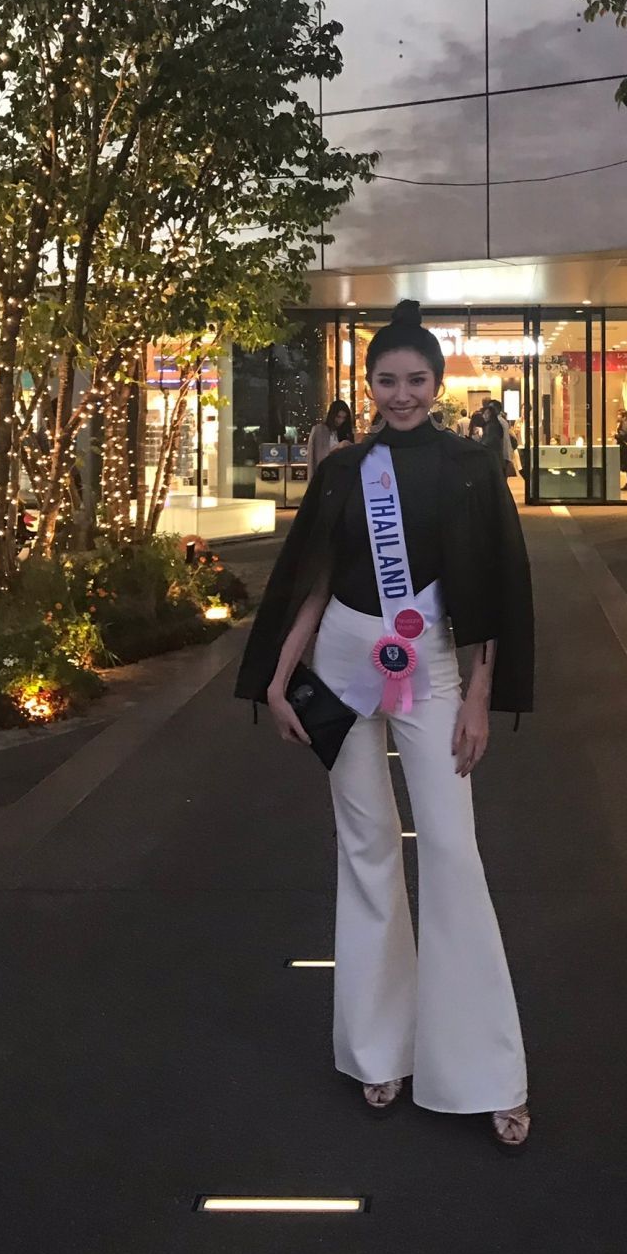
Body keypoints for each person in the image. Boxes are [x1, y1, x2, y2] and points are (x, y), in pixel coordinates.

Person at [234, 299, 534, 1152]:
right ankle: (378, 1049)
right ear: (367, 385)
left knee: (451, 851)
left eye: (416, 380)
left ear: (437, 384)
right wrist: (281, 677)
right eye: (387, 381)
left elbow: (494, 590)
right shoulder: (344, 470)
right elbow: (315, 579)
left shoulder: (472, 468)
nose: (402, 395)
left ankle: (486, 1070)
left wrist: (479, 694)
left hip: (431, 667)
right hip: (340, 666)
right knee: (365, 852)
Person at [307, 400, 354, 479]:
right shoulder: (319, 430)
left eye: (344, 418)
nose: (340, 421)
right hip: (325, 476)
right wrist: (337, 447)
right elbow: (318, 458)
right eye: (338, 417)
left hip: (340, 476)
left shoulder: (344, 433)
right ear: (332, 415)